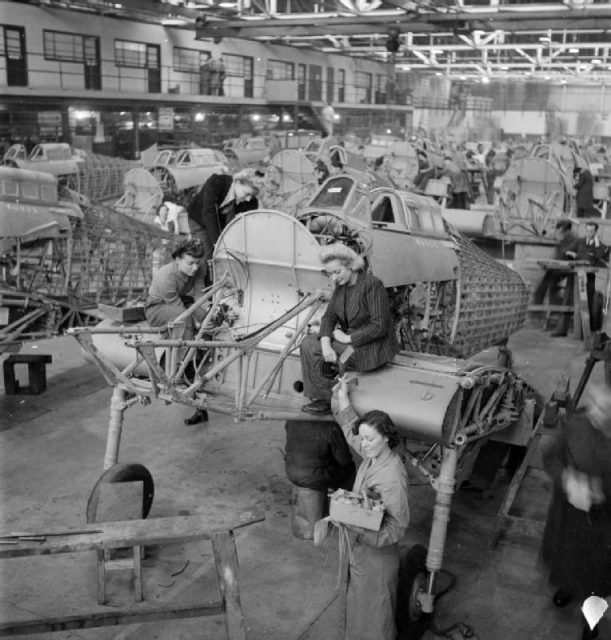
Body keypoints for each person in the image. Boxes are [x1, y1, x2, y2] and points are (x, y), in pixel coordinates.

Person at [331, 376, 410, 640]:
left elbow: (397, 527)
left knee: (376, 618)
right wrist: (343, 397)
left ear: (386, 437)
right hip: (362, 551)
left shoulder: (391, 476)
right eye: (363, 439)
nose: (363, 444)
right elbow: (352, 431)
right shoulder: (374, 454)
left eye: (369, 439)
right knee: (359, 612)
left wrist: (359, 531)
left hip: (378, 557)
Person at [540, 382, 611, 640]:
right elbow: (551, 456)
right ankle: (568, 586)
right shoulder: (577, 425)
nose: (595, 414)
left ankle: (590, 624)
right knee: (566, 560)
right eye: (594, 406)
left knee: (596, 580)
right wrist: (567, 482)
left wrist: (599, 491)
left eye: (604, 410)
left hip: (603, 527)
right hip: (568, 516)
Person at [299, 243, 399, 416]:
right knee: (308, 344)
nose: (334, 278)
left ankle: (338, 400)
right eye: (329, 273)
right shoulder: (342, 287)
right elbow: (330, 316)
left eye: (337, 272)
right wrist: (325, 343)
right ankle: (321, 397)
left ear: (351, 265)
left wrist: (347, 339)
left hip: (370, 346)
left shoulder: (372, 285)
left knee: (343, 357)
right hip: (350, 340)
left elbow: (380, 326)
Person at [144, 238, 209, 425]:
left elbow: (198, 295)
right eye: (190, 263)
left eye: (197, 263)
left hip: (182, 302)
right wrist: (195, 322)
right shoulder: (166, 277)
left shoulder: (200, 266)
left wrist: (204, 318)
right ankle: (183, 365)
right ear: (177, 260)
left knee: (207, 320)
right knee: (185, 319)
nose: (195, 268)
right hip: (157, 307)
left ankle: (200, 403)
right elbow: (180, 312)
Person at [187, 169, 261, 270]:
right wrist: (218, 243)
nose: (249, 199)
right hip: (199, 220)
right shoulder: (216, 182)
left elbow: (244, 225)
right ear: (238, 182)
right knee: (206, 256)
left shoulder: (251, 202)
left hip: (220, 223)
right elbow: (208, 212)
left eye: (252, 196)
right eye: (247, 194)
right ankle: (204, 283)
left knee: (223, 257)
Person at [533, 219, 579, 337]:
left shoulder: (572, 239)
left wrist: (556, 262)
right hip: (560, 267)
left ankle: (538, 309)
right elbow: (558, 255)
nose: (558, 233)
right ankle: (548, 309)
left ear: (565, 230)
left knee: (547, 281)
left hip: (567, 269)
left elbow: (567, 256)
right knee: (550, 283)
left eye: (560, 230)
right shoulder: (565, 239)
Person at [575, 222, 609, 331]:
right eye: (587, 230)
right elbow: (569, 252)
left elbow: (601, 257)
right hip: (576, 276)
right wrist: (571, 254)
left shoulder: (601, 246)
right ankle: (579, 329)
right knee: (577, 303)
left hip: (591, 278)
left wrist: (597, 243)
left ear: (596, 232)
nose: (589, 233)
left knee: (589, 303)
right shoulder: (579, 242)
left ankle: (587, 330)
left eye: (591, 231)